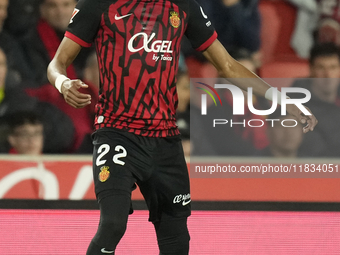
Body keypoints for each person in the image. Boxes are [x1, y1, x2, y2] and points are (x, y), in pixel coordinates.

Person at [47, 0, 317, 254]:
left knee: (177, 240)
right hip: (117, 133)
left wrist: (281, 100)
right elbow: (57, 63)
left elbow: (228, 66)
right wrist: (62, 83)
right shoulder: (99, 4)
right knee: (113, 224)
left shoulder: (183, 6)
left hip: (165, 141)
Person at [293, 43, 340, 157]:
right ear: (311, 70)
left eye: (333, 67)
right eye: (321, 68)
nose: (328, 75)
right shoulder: (293, 105)